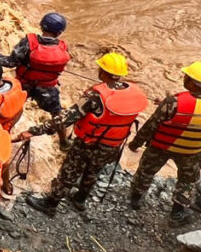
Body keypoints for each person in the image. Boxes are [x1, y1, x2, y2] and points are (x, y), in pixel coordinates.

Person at [16, 52, 148, 215]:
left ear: (103, 72)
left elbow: (66, 119)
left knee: (69, 171)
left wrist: (33, 131)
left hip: (88, 143)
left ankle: (51, 204)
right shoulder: (133, 93)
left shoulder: (96, 96)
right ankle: (80, 199)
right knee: (93, 171)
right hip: (112, 145)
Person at [127, 62, 201, 227]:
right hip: (191, 152)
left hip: (161, 147)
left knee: (145, 172)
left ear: (192, 83)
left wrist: (135, 144)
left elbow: (151, 126)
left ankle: (136, 200)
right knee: (187, 182)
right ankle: (177, 214)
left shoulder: (173, 102)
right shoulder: (172, 102)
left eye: (186, 77)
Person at [0, 13, 71, 149]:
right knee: (57, 113)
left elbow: (10, 62)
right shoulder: (63, 46)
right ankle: (64, 142)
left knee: (13, 109)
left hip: (24, 83)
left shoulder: (29, 41)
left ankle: (0, 136)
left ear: (41, 25)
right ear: (60, 32)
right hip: (47, 88)